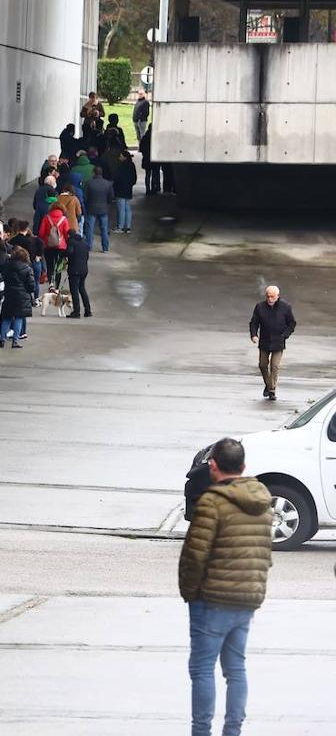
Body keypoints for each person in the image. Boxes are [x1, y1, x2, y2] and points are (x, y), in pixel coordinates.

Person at [179, 438, 272, 736]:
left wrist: (189, 592)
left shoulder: (212, 501)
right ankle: (233, 731)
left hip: (212, 600)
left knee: (202, 669)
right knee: (236, 669)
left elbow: (194, 554)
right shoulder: (262, 502)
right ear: (243, 467)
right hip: (247, 599)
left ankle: (201, 732)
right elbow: (263, 553)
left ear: (214, 467)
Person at [249, 286, 296, 401]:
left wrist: (285, 335)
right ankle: (269, 385)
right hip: (264, 341)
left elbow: (292, 323)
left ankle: (271, 390)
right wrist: (254, 335)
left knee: (274, 366)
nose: (270, 299)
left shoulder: (285, 307)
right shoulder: (260, 307)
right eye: (268, 296)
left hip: (278, 342)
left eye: (272, 297)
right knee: (262, 365)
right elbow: (254, 323)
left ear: (277, 296)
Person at [0, 247, 35, 348]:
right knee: (19, 318)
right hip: (22, 296)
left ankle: (2, 339)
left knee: (7, 317)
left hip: (9, 294)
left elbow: (3, 279)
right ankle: (15, 340)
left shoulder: (7, 267)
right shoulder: (27, 269)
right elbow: (31, 286)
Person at [38, 201, 71, 292]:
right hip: (61, 247)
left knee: (49, 265)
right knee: (58, 267)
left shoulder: (46, 218)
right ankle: (57, 287)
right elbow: (67, 234)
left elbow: (41, 233)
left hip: (48, 246)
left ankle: (51, 284)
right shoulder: (64, 219)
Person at [84, 167, 114, 252]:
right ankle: (105, 248)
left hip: (91, 208)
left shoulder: (89, 183)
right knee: (104, 229)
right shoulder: (108, 184)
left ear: (93, 173)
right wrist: (106, 204)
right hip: (103, 209)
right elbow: (111, 197)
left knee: (90, 229)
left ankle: (89, 246)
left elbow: (85, 197)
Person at [65, 230, 92, 318]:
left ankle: (76, 312)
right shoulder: (84, 243)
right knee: (82, 289)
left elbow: (69, 252)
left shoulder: (71, 242)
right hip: (84, 270)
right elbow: (87, 257)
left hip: (74, 270)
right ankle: (88, 310)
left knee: (74, 291)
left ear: (69, 236)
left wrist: (63, 254)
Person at [113, 150, 138, 233]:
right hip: (128, 189)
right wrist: (130, 184)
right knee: (127, 208)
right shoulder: (132, 165)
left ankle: (120, 227)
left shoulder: (120, 166)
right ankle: (128, 227)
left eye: (121, 156)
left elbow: (116, 178)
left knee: (121, 209)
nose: (119, 157)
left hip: (120, 190)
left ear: (125, 157)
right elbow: (134, 178)